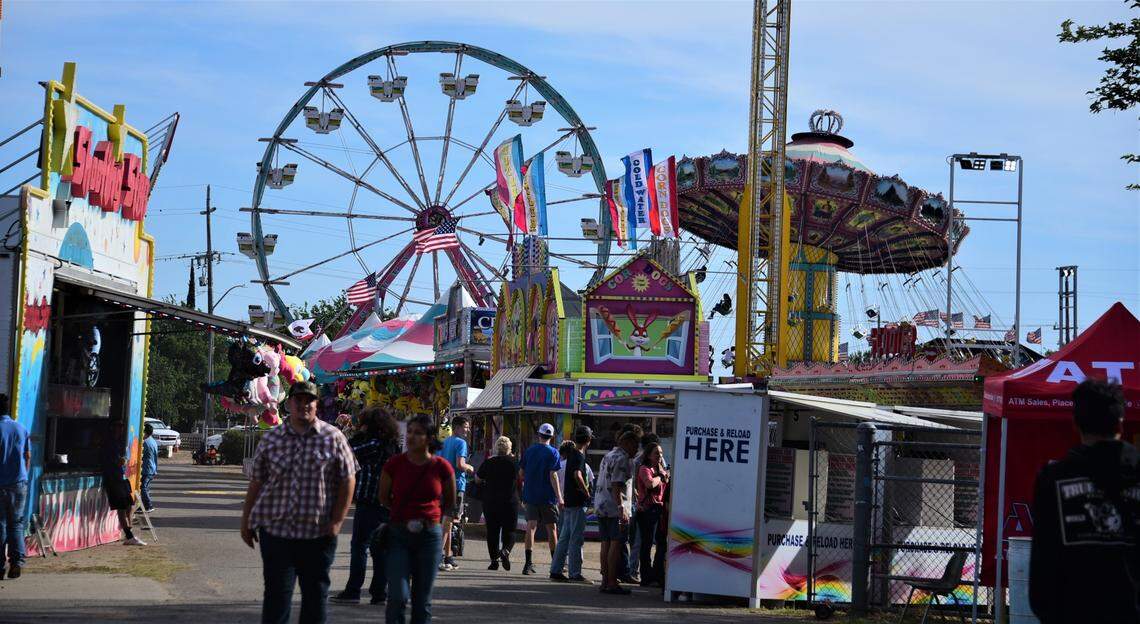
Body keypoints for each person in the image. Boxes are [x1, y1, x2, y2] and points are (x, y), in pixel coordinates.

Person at [241, 381, 358, 624]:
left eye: (310, 400)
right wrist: (246, 520)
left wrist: (337, 521)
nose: (304, 405)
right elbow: (257, 482)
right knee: (276, 599)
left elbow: (349, 479)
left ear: (317, 405)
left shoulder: (333, 437)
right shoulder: (272, 439)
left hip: (319, 534)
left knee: (315, 599)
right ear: (289, 404)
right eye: (299, 400)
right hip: (277, 533)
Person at [1030, 379, 1140, 623]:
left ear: (1075, 423)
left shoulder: (1053, 479)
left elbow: (1043, 561)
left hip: (1073, 612)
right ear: (1120, 422)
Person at [379, 414, 456, 624]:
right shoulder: (394, 464)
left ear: (430, 438)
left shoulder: (441, 466)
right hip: (399, 535)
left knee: (422, 601)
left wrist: (430, 517)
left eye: (419, 433)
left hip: (429, 536)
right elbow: (384, 497)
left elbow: (449, 500)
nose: (412, 436)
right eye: (410, 431)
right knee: (397, 596)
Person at [332, 407, 401, 605]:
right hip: (387, 503)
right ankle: (379, 592)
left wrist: (356, 435)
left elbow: (346, 452)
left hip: (369, 501)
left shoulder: (371, 444)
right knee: (380, 550)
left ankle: (353, 590)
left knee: (359, 546)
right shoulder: (392, 445)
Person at [595, 428, 642, 595]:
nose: (637, 450)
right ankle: (612, 582)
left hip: (601, 505)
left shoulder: (608, 455)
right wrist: (621, 507)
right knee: (615, 544)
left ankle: (604, 581)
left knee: (605, 543)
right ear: (627, 443)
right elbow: (616, 485)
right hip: (614, 507)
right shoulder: (622, 459)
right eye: (635, 445)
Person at [550, 426, 593, 584]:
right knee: (576, 538)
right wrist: (586, 492)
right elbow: (577, 474)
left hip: (568, 501)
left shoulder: (571, 455)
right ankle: (575, 573)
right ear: (588, 440)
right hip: (577, 502)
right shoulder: (579, 456)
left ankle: (556, 570)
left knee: (564, 537)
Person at [518, 423, 562, 575]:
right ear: (552, 436)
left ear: (539, 435)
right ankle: (555, 565)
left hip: (530, 494)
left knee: (531, 527)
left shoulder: (529, 451)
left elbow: (521, 473)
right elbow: (553, 475)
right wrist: (560, 497)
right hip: (547, 496)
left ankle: (528, 563)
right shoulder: (554, 453)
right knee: (552, 528)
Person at [475, 435, 520, 571]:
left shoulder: (489, 462)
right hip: (510, 501)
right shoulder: (514, 463)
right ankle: (505, 551)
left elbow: (477, 479)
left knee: (492, 531)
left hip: (490, 501)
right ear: (509, 448)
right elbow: (521, 477)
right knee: (510, 530)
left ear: (496, 448)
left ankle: (494, 561)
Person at [0, 393, 31, 579]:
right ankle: (17, 562)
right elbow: (27, 456)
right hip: (18, 483)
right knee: (16, 524)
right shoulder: (21, 428)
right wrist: (24, 475)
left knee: (0, 524)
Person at [439, 415, 475, 571]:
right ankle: (436, 556)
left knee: (448, 521)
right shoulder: (461, 443)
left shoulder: (445, 442)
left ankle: (448, 556)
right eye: (466, 427)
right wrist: (470, 468)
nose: (468, 430)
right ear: (458, 427)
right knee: (448, 521)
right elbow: (460, 464)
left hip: (442, 485)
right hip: (456, 486)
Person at [102, 419, 144, 546]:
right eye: (118, 426)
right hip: (113, 478)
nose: (120, 429)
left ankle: (129, 530)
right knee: (121, 508)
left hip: (120, 478)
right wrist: (121, 461)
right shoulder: (109, 443)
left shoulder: (117, 442)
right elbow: (113, 461)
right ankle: (129, 536)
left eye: (121, 426)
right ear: (113, 428)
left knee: (129, 505)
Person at [634, 442, 669, 587]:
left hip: (660, 509)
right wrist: (661, 477)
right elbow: (649, 484)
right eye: (656, 453)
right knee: (647, 544)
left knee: (661, 543)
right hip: (647, 510)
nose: (660, 456)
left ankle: (658, 574)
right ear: (648, 455)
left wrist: (663, 475)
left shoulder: (660, 469)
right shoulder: (644, 468)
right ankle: (646, 576)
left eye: (661, 453)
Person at [139, 423, 158, 513]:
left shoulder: (145, 443)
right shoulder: (153, 441)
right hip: (152, 468)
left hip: (147, 469)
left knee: (143, 487)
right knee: (145, 488)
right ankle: (142, 505)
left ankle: (148, 505)